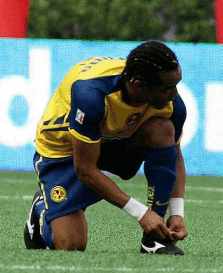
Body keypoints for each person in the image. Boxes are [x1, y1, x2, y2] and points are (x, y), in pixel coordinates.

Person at [24, 41, 187, 254]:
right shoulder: (91, 95)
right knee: (71, 246)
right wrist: (141, 213)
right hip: (65, 151)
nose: (174, 94)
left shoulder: (172, 106)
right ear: (138, 85)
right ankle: (41, 210)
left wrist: (176, 212)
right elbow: (85, 170)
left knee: (163, 129)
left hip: (112, 141)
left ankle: (154, 239)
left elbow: (174, 156)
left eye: (176, 84)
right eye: (167, 88)